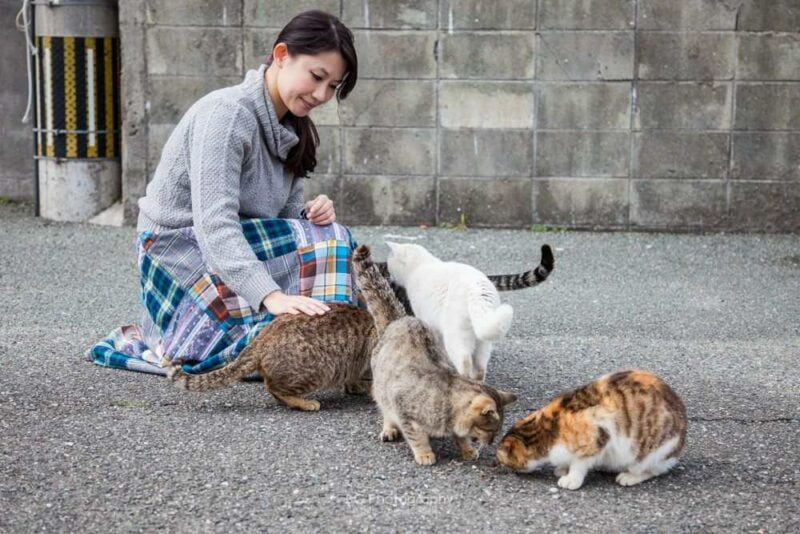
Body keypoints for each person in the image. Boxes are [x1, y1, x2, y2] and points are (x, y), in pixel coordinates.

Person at [87, 10, 359, 375]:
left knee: (329, 237)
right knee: (331, 245)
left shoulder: (293, 129)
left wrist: (311, 214)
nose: (322, 94)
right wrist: (270, 296)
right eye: (317, 77)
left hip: (230, 251)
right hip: (178, 252)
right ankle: (293, 351)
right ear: (281, 55)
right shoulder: (227, 115)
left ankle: (307, 350)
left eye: (332, 86)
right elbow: (214, 225)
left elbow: (284, 223)